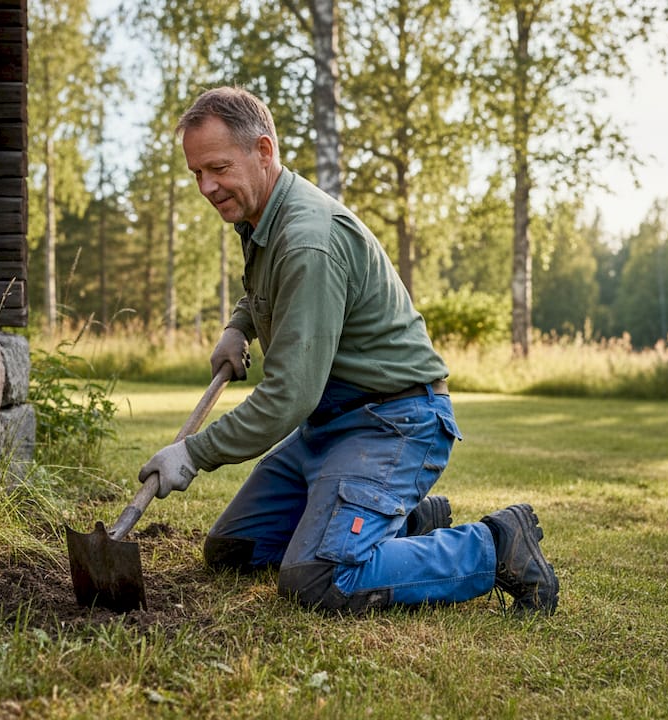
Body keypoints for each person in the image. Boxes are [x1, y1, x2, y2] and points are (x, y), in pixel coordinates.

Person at [138, 86, 558, 615]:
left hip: (393, 421)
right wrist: (238, 326)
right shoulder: (261, 217)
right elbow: (266, 289)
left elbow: (288, 396)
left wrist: (193, 452)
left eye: (217, 167)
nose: (206, 186)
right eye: (196, 172)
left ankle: (496, 546)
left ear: (263, 151)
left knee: (321, 576)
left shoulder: (307, 239)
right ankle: (408, 523)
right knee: (237, 551)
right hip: (330, 427)